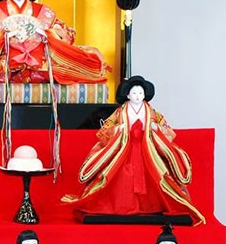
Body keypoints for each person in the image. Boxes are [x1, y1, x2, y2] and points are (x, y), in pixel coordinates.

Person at [61, 75, 206, 225]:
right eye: (134, 93)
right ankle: (119, 206)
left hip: (147, 150)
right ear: (128, 95)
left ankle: (151, 206)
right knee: (119, 178)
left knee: (156, 176)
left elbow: (166, 129)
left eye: (140, 93)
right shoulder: (120, 112)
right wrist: (118, 129)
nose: (137, 96)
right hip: (124, 149)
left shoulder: (152, 112)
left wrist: (156, 129)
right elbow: (104, 130)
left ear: (145, 95)